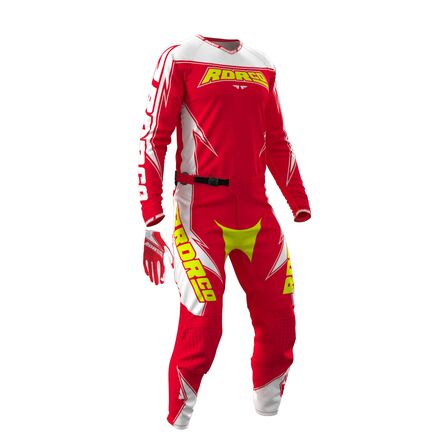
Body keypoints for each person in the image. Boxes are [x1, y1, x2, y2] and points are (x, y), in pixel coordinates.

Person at [138, 33, 311, 430]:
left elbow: (277, 140)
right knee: (203, 324)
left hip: (256, 209)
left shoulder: (263, 64)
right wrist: (151, 215)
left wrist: (298, 199)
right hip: (199, 211)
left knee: (280, 318)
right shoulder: (180, 57)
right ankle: (178, 422)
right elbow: (154, 137)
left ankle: (268, 416)